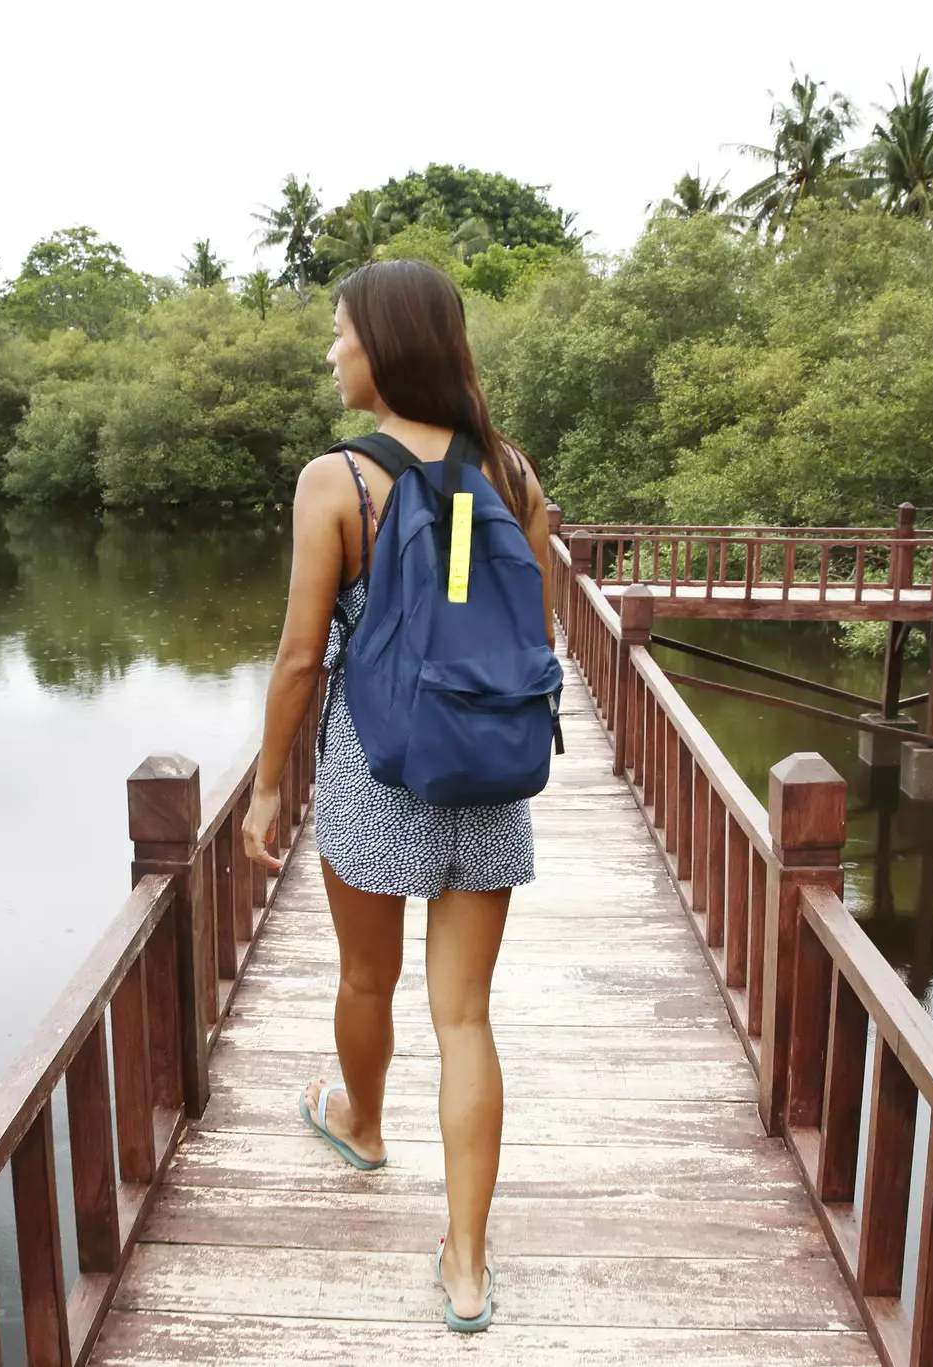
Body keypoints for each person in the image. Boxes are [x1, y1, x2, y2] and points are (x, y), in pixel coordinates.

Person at [241, 259, 556, 1334]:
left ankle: (363, 1123)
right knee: (464, 1014)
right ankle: (466, 1262)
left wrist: (264, 788)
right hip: (492, 769)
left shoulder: (338, 479)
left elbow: (296, 659)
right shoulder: (509, 472)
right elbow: (532, 632)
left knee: (365, 979)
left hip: (375, 767)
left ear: (383, 345)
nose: (329, 350)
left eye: (338, 333)